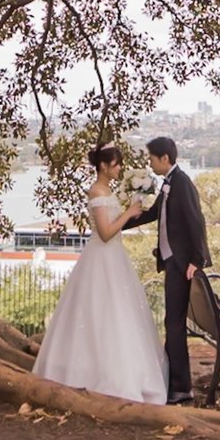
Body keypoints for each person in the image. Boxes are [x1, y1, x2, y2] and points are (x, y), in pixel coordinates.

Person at [31, 142, 168, 404]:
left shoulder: (108, 190)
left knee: (118, 315)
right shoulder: (96, 191)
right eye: (115, 165)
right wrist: (129, 213)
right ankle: (95, 376)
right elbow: (105, 233)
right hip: (102, 257)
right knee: (99, 313)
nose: (118, 169)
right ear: (103, 166)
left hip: (115, 258)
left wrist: (133, 207)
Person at [120, 135, 209, 405]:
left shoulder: (182, 184)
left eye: (151, 158)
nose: (149, 162)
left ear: (164, 159)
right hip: (172, 263)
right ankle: (174, 382)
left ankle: (181, 387)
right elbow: (155, 214)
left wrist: (197, 260)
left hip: (183, 266)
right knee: (172, 322)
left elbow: (196, 222)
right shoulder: (169, 184)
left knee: (174, 323)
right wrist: (120, 223)